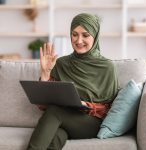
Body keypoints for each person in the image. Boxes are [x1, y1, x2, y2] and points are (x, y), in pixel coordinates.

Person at [27, 13, 119, 150]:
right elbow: (43, 105)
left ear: (95, 36)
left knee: (55, 111)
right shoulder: (61, 63)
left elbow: (109, 109)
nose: (78, 40)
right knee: (56, 137)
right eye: (74, 34)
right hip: (64, 122)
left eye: (85, 35)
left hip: (91, 124)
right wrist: (45, 73)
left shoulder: (107, 67)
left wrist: (85, 105)